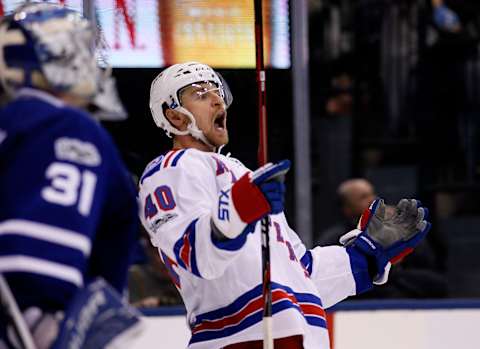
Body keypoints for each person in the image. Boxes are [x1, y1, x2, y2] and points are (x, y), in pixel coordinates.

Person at [138, 61, 431, 349]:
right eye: (201, 94)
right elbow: (195, 254)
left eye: (218, 91)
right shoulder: (170, 170)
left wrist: (364, 257)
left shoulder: (244, 177)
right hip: (241, 339)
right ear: (175, 117)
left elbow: (298, 273)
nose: (217, 100)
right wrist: (239, 207)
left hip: (298, 337)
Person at [0, 3, 140, 348]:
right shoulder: (71, 126)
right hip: (36, 317)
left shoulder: (16, 119)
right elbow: (121, 222)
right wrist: (99, 298)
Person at [316, 178, 375, 246]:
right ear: (347, 208)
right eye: (363, 197)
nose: (372, 200)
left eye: (372, 194)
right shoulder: (333, 240)